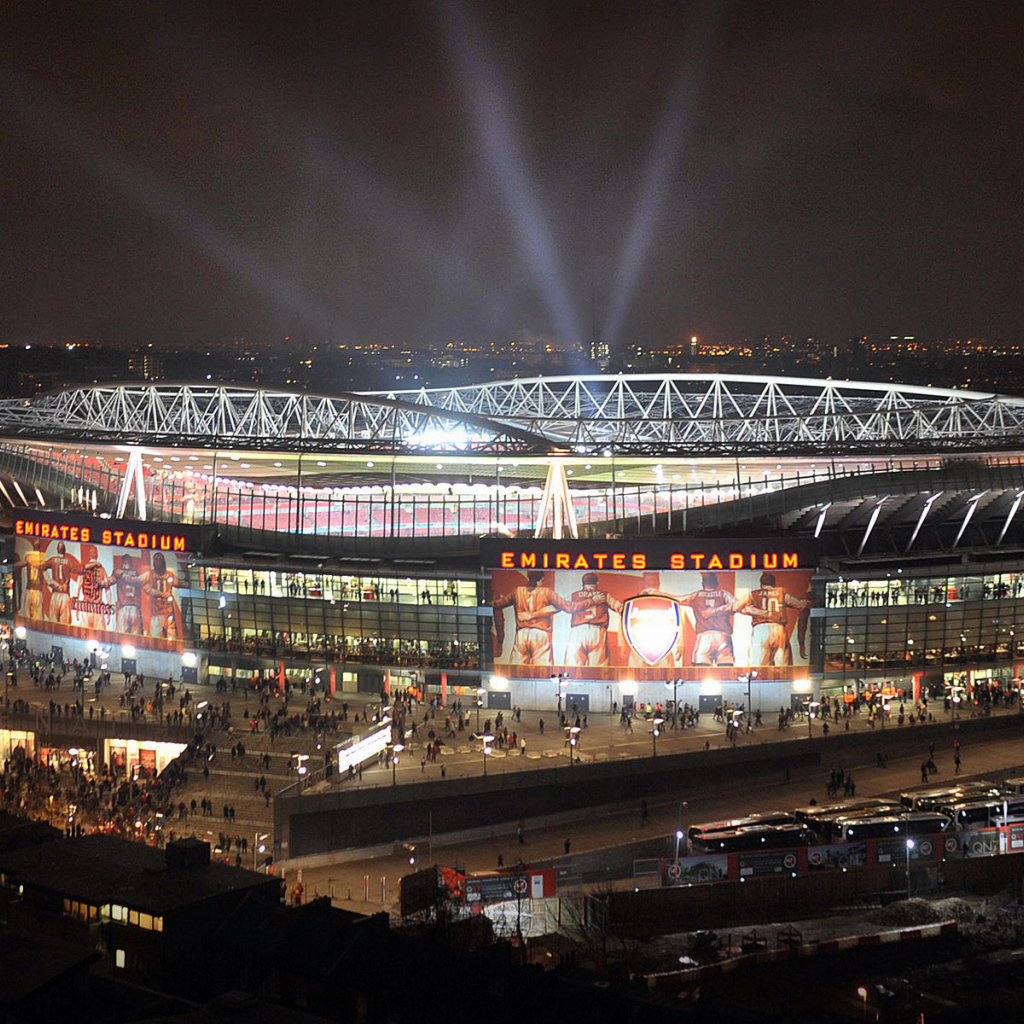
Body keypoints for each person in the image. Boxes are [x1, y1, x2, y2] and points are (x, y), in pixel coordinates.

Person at [492, 570, 573, 666]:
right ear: (542, 579)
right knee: (542, 671)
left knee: (515, 670)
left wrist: (485, 603)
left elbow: (497, 604)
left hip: (521, 634)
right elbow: (566, 607)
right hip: (541, 633)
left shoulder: (518, 591)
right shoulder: (547, 592)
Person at [740, 572, 812, 666]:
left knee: (759, 667)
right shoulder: (781, 593)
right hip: (779, 628)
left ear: (761, 584)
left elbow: (738, 606)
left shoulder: (753, 594)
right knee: (782, 666)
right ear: (774, 584)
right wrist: (810, 603)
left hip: (760, 629)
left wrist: (753, 611)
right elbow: (799, 604)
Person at [565, 572, 622, 667]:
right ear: (597, 583)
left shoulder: (574, 595)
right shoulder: (604, 595)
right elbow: (619, 607)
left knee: (571, 669)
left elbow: (562, 606)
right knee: (598, 670)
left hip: (578, 631)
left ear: (583, 584)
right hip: (597, 632)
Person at [144, 552, 179, 639]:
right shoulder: (150, 574)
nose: (158, 563)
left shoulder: (170, 574)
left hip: (168, 612)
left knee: (171, 639)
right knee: (156, 640)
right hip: (157, 612)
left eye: (160, 560)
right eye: (156, 560)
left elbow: (180, 583)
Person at [44, 542, 80, 625]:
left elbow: (42, 567)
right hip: (64, 594)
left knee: (53, 623)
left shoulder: (53, 560)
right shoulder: (69, 562)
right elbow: (79, 570)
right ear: (65, 550)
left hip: (55, 593)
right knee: (64, 624)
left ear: (57, 550)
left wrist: (51, 582)